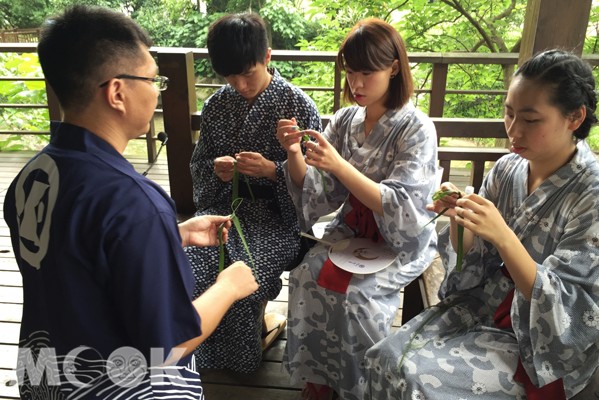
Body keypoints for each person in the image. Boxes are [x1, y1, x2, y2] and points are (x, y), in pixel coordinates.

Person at [3, 5, 258, 399]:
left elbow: (78, 258)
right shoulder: (134, 201)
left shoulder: (33, 176)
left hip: (46, 375)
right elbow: (167, 347)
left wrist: (171, 235)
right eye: (153, 79)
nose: (158, 91)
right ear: (117, 92)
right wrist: (228, 287)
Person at [364, 49, 599, 399]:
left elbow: (572, 309)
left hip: (536, 342)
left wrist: (504, 236)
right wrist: (462, 222)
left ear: (575, 117)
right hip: (483, 303)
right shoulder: (507, 170)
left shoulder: (591, 193)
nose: (514, 130)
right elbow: (469, 263)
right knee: (383, 358)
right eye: (509, 113)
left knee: (417, 382)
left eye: (531, 120)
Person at [276, 18, 438, 400]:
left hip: (398, 239)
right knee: (306, 275)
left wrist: (339, 165)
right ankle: (319, 377)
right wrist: (293, 152)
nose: (357, 84)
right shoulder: (346, 120)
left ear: (394, 68)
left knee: (358, 297)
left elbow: (403, 205)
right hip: (353, 231)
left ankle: (362, 385)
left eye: (368, 72)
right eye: (350, 72)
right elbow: (320, 191)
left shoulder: (416, 128)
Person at [185, 12, 322, 373]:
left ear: (268, 58)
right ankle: (202, 356)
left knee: (247, 278)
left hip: (279, 221)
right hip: (225, 213)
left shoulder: (299, 105)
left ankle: (239, 360)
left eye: (248, 74)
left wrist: (273, 171)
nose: (240, 85)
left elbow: (317, 186)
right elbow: (198, 166)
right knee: (190, 270)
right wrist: (215, 170)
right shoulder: (217, 105)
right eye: (230, 77)